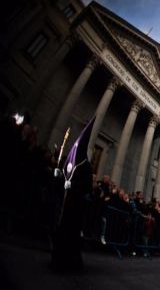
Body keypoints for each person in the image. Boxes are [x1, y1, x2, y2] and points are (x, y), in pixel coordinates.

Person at [50, 116, 95, 271]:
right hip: (65, 202)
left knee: (71, 233)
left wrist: (74, 184)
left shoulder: (86, 166)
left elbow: (88, 188)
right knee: (61, 230)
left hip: (75, 206)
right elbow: (63, 178)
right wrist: (58, 175)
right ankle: (56, 260)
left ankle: (70, 262)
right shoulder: (69, 161)